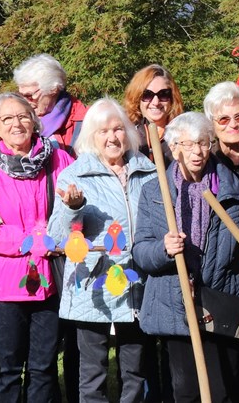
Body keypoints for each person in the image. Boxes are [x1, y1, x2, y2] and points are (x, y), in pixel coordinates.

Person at [134, 112, 239, 403]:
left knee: (225, 387)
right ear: (173, 148)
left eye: (203, 143)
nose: (197, 152)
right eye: (187, 145)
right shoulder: (155, 191)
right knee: (186, 389)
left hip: (222, 298)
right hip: (176, 301)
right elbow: (140, 250)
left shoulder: (232, 189)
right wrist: (163, 249)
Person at [47, 98, 158, 403]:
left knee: (135, 369)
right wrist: (73, 209)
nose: (112, 137)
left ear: (129, 132)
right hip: (92, 283)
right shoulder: (75, 175)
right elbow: (57, 237)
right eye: (103, 131)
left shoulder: (148, 171)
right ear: (90, 137)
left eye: (118, 128)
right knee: (92, 371)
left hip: (135, 281)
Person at [0, 92, 74, 402]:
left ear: (35, 122)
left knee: (45, 367)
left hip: (49, 284)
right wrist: (35, 241)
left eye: (23, 116)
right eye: (7, 119)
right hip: (3, 289)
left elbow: (76, 211)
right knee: (7, 371)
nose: (17, 123)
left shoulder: (59, 160)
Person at [14, 52, 87, 402]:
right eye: (20, 94)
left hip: (74, 236)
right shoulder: (21, 124)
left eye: (30, 95)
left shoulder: (83, 121)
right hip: (34, 240)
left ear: (55, 89)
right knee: (41, 336)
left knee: (74, 333)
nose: (24, 102)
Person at [124, 64, 184, 165]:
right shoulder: (126, 135)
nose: (156, 102)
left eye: (163, 94)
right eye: (147, 95)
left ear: (172, 98)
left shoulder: (183, 135)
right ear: (137, 98)